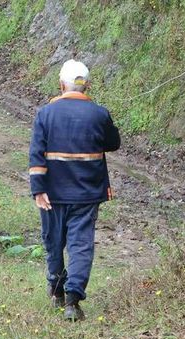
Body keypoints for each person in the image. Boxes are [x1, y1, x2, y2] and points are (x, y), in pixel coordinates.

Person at [29, 59, 120, 321]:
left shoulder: (45, 114)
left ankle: (56, 288)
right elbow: (113, 143)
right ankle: (72, 301)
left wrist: (38, 189)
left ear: (60, 85)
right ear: (87, 85)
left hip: (52, 194)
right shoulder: (99, 114)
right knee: (81, 244)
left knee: (53, 241)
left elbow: (36, 154)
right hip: (87, 194)